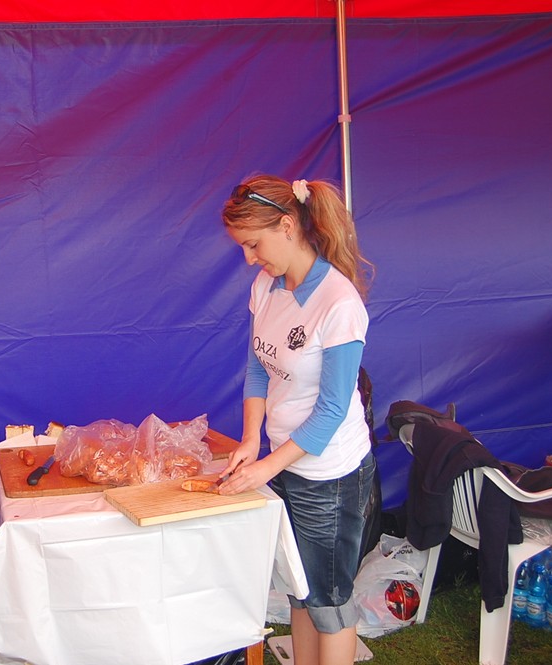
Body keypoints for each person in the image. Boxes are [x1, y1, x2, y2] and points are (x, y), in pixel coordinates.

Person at [217, 175, 375, 665]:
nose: (249, 259)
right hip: (287, 460)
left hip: (330, 474)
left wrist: (266, 467)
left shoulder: (339, 303)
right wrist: (250, 440)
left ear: (287, 226)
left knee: (329, 601)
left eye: (254, 244)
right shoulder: (266, 286)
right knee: (300, 589)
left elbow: (331, 411)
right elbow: (257, 369)